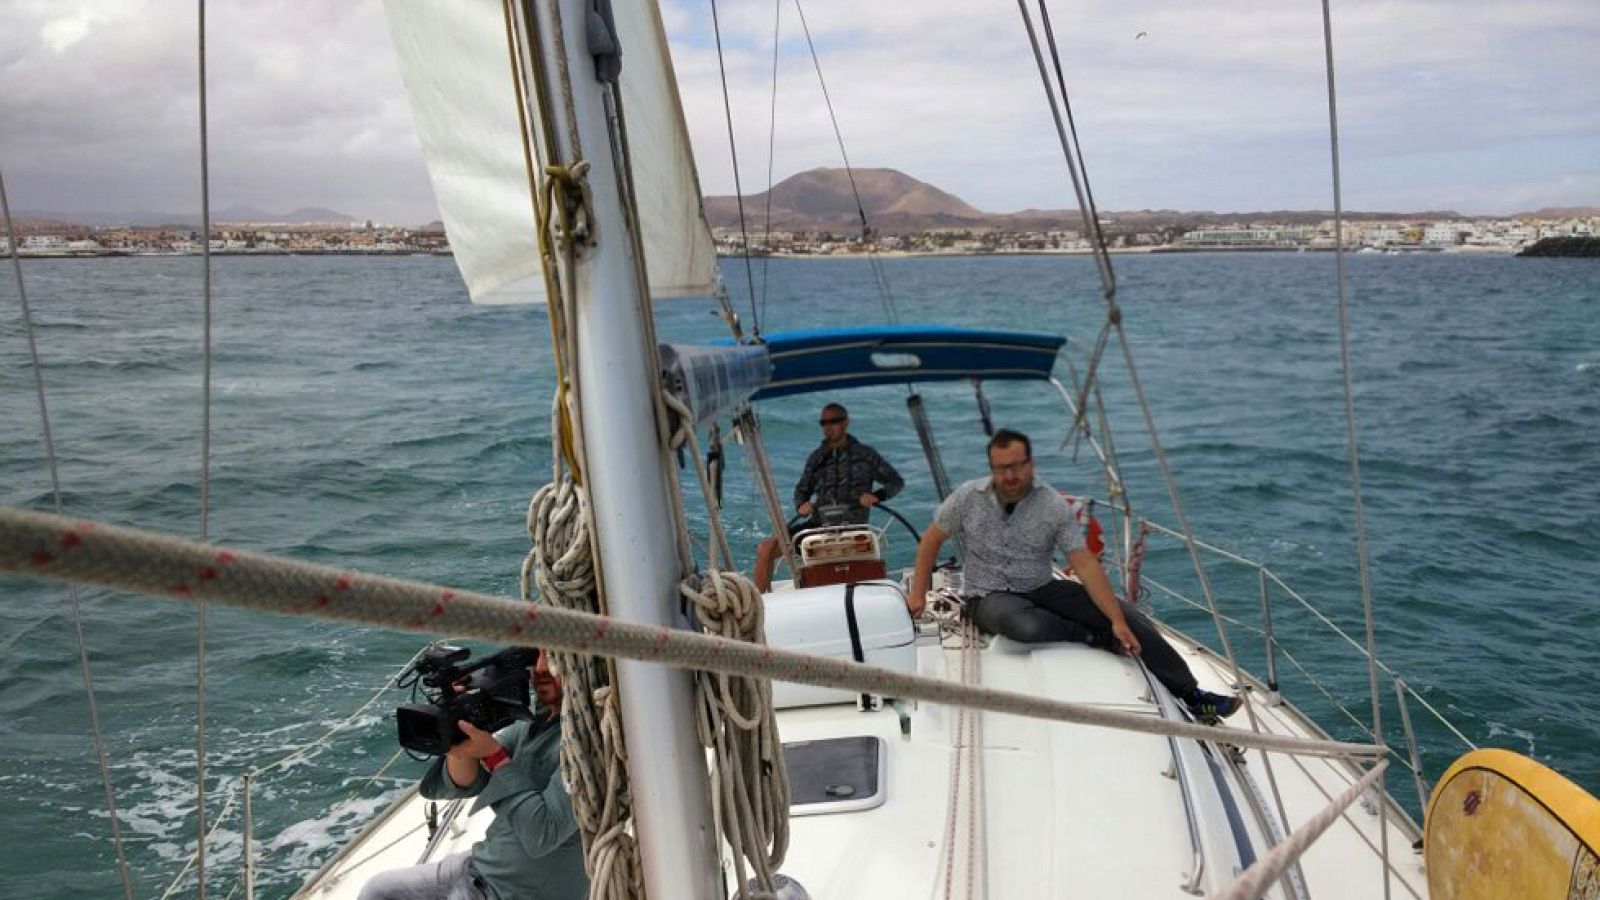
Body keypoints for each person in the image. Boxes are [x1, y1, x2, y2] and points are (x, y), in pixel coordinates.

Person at [907, 429, 1240, 720]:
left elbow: (1084, 564)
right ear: (992, 469)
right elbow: (931, 541)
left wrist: (1116, 619)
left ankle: (1193, 695)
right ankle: (1094, 637)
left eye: (1017, 466)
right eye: (1002, 468)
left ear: (1030, 464)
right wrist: (917, 594)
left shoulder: (1051, 505)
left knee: (1129, 616)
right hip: (988, 596)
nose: (1010, 475)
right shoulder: (967, 497)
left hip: (1042, 586)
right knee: (1026, 625)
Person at [359, 650, 588, 900]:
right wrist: (459, 729)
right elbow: (466, 783)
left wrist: (494, 756)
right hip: (480, 866)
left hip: (515, 892)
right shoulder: (535, 722)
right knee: (377, 890)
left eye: (556, 655)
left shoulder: (587, 743)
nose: (542, 667)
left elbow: (542, 833)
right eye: (539, 653)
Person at [754, 402, 905, 591]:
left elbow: (896, 482)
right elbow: (802, 490)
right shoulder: (817, 458)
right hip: (817, 529)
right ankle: (763, 607)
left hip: (853, 529)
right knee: (766, 548)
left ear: (846, 423)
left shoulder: (866, 456)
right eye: (824, 423)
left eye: (834, 421)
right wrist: (801, 504)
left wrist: (876, 496)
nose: (828, 427)